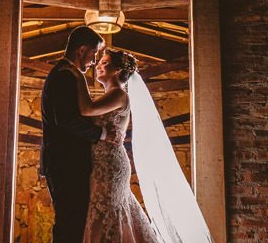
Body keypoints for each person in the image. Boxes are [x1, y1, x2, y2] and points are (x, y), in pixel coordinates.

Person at [73, 48, 214, 243]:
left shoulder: (119, 95)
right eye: (99, 62)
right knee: (108, 212)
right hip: (100, 163)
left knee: (107, 212)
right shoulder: (110, 96)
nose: (98, 66)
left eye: (104, 63)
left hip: (110, 165)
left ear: (118, 69)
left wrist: (77, 75)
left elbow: (86, 110)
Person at [41, 26, 118, 243]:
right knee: (70, 224)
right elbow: (66, 120)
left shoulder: (66, 73)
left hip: (66, 163)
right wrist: (101, 133)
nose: (94, 61)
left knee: (71, 222)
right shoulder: (64, 75)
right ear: (82, 50)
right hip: (66, 163)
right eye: (94, 54)